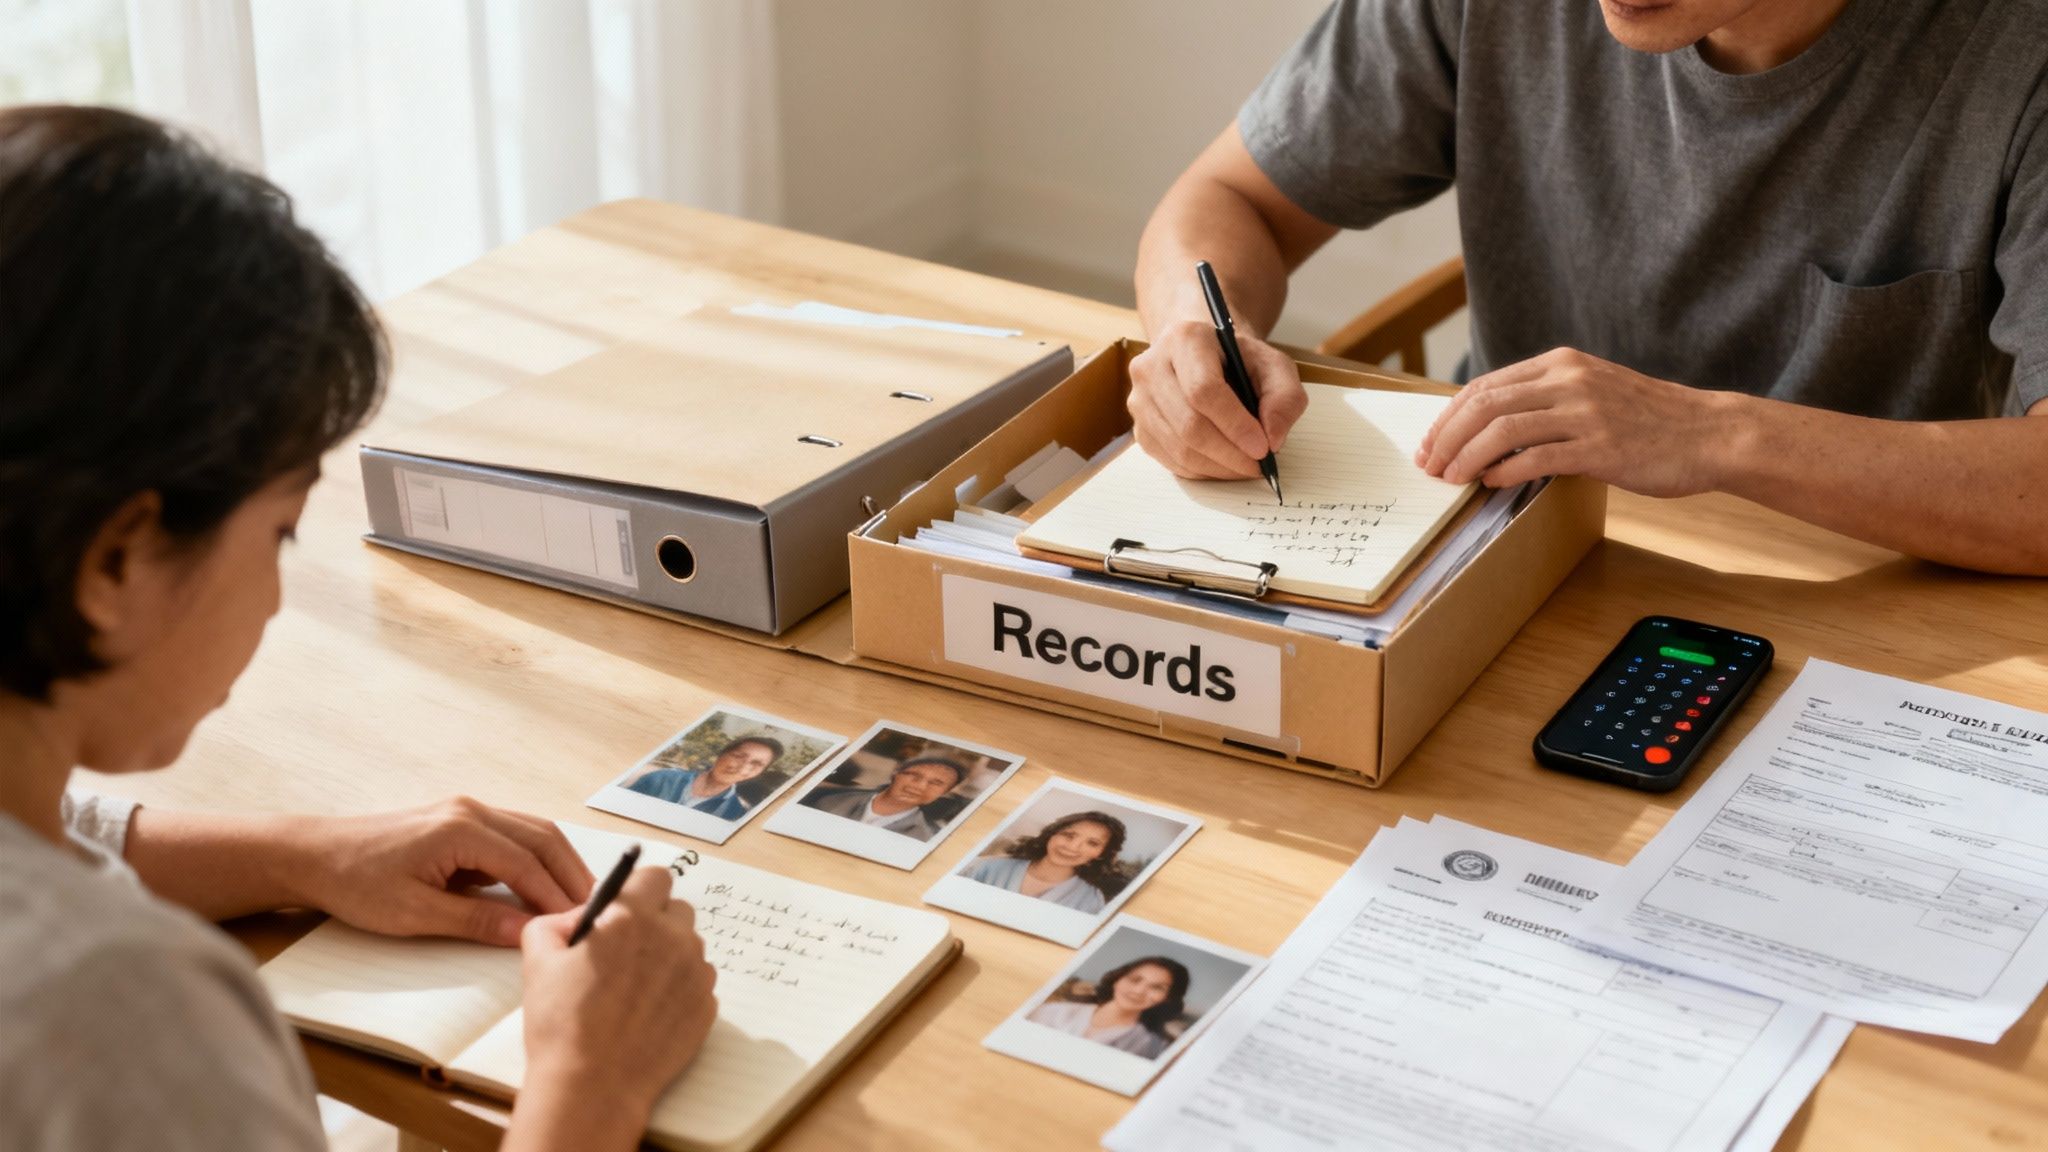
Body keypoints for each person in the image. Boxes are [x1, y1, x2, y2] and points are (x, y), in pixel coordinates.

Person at [0, 105, 717, 1152]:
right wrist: (588, 1077)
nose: (279, 595)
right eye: (282, 530)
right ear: (116, 559)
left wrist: (301, 854)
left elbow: (50, 832)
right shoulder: (108, 1009)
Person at [1130, 0, 2048, 575]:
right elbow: (1227, 198)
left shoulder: (2019, 54)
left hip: (1864, 591)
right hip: (1493, 540)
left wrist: (1712, 435)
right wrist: (1190, 331)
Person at [963, 810, 1128, 913]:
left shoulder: (1091, 900)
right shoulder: (985, 867)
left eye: (1092, 843)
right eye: (1068, 835)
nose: (1073, 847)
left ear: (1101, 854)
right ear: (1051, 834)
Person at [1027, 956, 1189, 1059]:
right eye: (1134, 979)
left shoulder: (1152, 1047)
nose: (1139, 991)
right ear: (1118, 978)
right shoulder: (1052, 1011)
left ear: (1167, 999)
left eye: (1157, 988)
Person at [799, 755, 966, 841]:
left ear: (944, 792)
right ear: (895, 774)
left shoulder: (927, 838)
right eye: (913, 775)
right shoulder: (825, 799)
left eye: (936, 783)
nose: (919, 786)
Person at [627, 734, 785, 820]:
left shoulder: (735, 813)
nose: (743, 768)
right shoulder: (660, 779)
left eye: (756, 764)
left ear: (760, 773)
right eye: (738, 756)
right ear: (721, 754)